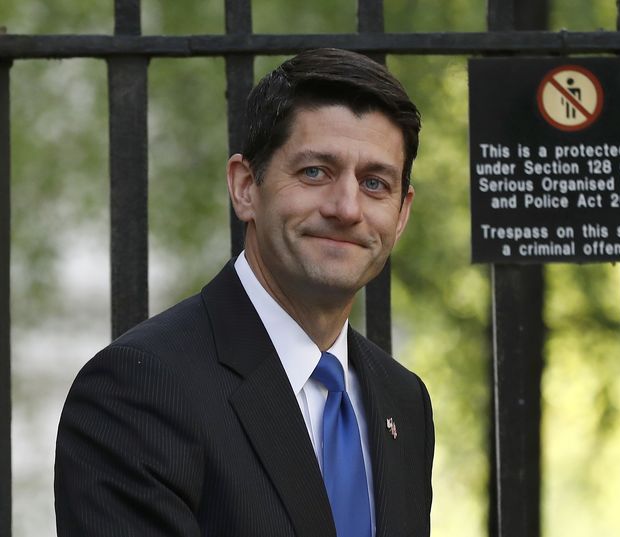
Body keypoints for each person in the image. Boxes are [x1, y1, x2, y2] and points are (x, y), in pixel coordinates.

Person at [54, 48, 434, 537]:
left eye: (375, 183)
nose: (346, 208)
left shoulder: (403, 400)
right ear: (245, 187)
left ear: (401, 215)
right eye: (314, 172)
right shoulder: (136, 390)